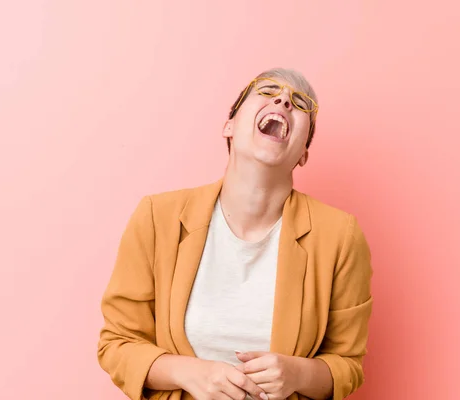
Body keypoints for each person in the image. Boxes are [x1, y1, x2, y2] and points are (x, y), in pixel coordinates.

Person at [97, 68, 374, 400]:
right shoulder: (158, 217)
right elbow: (118, 344)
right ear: (229, 126)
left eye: (301, 104)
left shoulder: (340, 236)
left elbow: (347, 365)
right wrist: (190, 373)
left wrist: (298, 374)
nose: (284, 100)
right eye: (268, 89)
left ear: (303, 154)